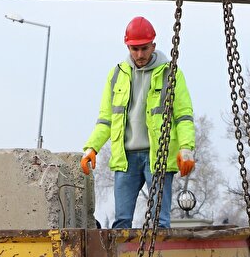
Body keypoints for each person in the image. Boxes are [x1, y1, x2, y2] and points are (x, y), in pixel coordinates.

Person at [80, 15, 196, 229]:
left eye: (144, 48)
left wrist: (186, 148)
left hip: (158, 156)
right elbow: (106, 118)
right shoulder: (116, 75)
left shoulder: (170, 74)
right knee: (121, 222)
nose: (139, 54)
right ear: (127, 47)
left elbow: (183, 116)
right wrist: (92, 147)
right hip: (126, 157)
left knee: (159, 223)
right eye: (134, 49)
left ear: (153, 45)